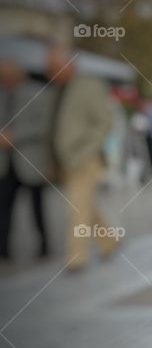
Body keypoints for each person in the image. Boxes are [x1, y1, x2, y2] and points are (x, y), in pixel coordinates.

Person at [48, 45, 120, 271]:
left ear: (69, 65)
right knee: (87, 205)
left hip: (85, 158)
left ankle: (77, 257)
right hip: (65, 159)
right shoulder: (57, 90)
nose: (51, 73)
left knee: (78, 206)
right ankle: (109, 240)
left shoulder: (89, 86)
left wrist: (89, 149)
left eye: (55, 68)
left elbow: (104, 121)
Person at [0, 58, 53, 260]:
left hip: (30, 161)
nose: (7, 81)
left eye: (10, 77)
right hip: (6, 163)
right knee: (4, 208)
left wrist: (15, 135)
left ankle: (44, 245)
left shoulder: (38, 93)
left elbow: (44, 125)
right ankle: (3, 249)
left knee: (37, 207)